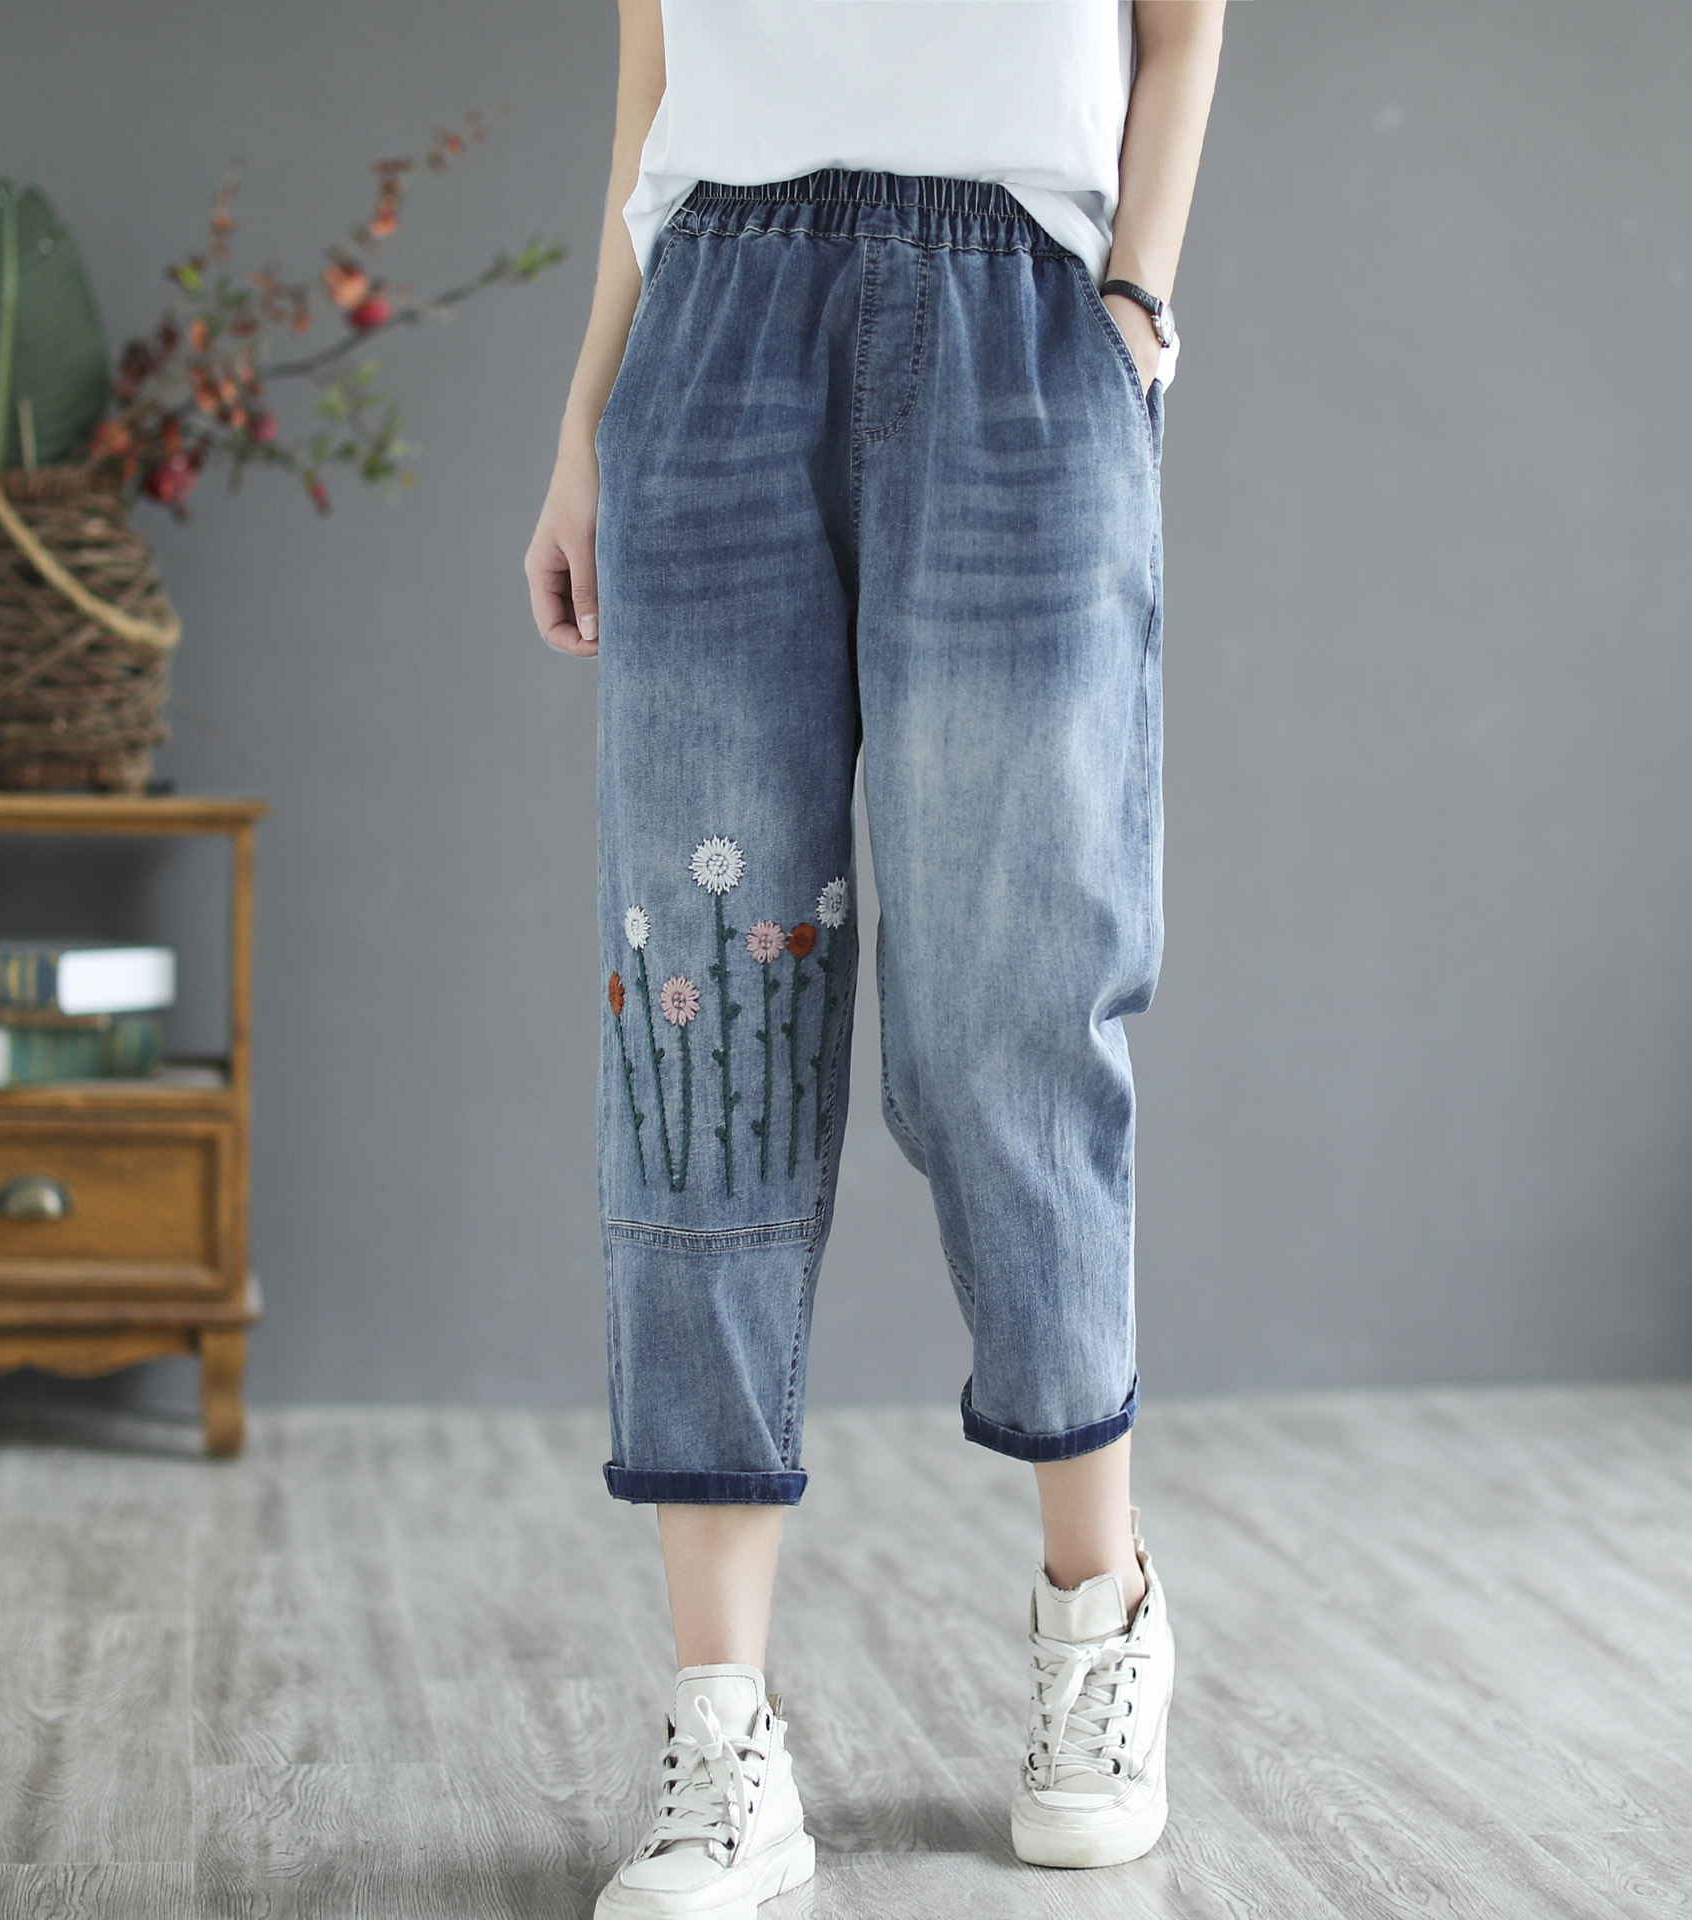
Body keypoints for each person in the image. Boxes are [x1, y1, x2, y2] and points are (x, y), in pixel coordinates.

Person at [526, 2, 1226, 1911]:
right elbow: (653, 90)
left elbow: (1184, 31)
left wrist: (1133, 305)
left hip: (1021, 330)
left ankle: (1099, 1616)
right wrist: (587, 425)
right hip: (711, 333)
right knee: (707, 1027)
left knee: (1015, 1010)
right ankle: (720, 1728)